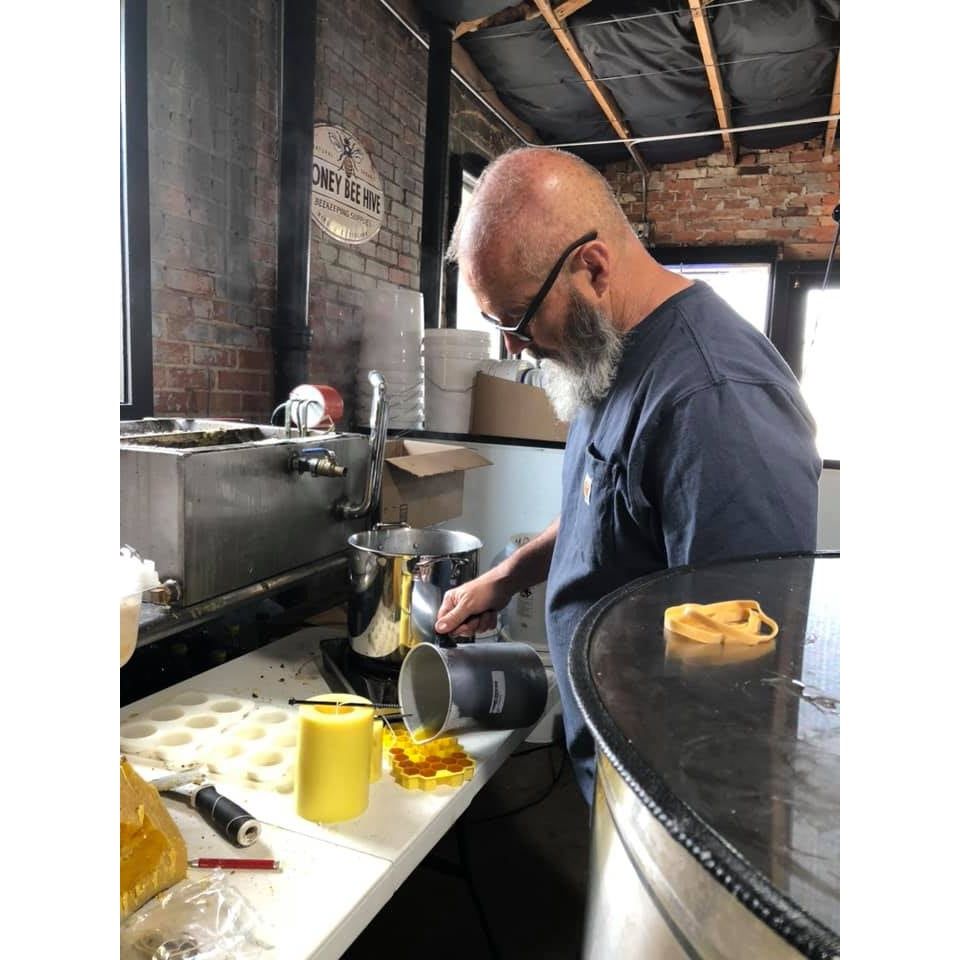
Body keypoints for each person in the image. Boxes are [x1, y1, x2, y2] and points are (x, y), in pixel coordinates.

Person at [434, 147, 822, 803]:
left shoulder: (714, 402)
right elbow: (608, 510)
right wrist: (507, 577)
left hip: (665, 797)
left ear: (592, 267)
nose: (512, 348)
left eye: (518, 318)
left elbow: (745, 691)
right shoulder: (607, 356)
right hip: (612, 763)